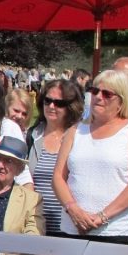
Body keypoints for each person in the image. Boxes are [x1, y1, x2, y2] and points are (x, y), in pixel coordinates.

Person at [52, 70, 128, 244]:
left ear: (121, 101)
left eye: (107, 94)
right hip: (73, 228)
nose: (98, 97)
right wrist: (73, 209)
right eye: (94, 91)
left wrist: (102, 216)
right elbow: (58, 177)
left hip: (116, 231)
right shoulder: (75, 131)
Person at [27, 79, 84, 237]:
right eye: (48, 101)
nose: (51, 106)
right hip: (36, 226)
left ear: (70, 106)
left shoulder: (80, 138)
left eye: (59, 103)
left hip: (69, 227)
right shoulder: (32, 136)